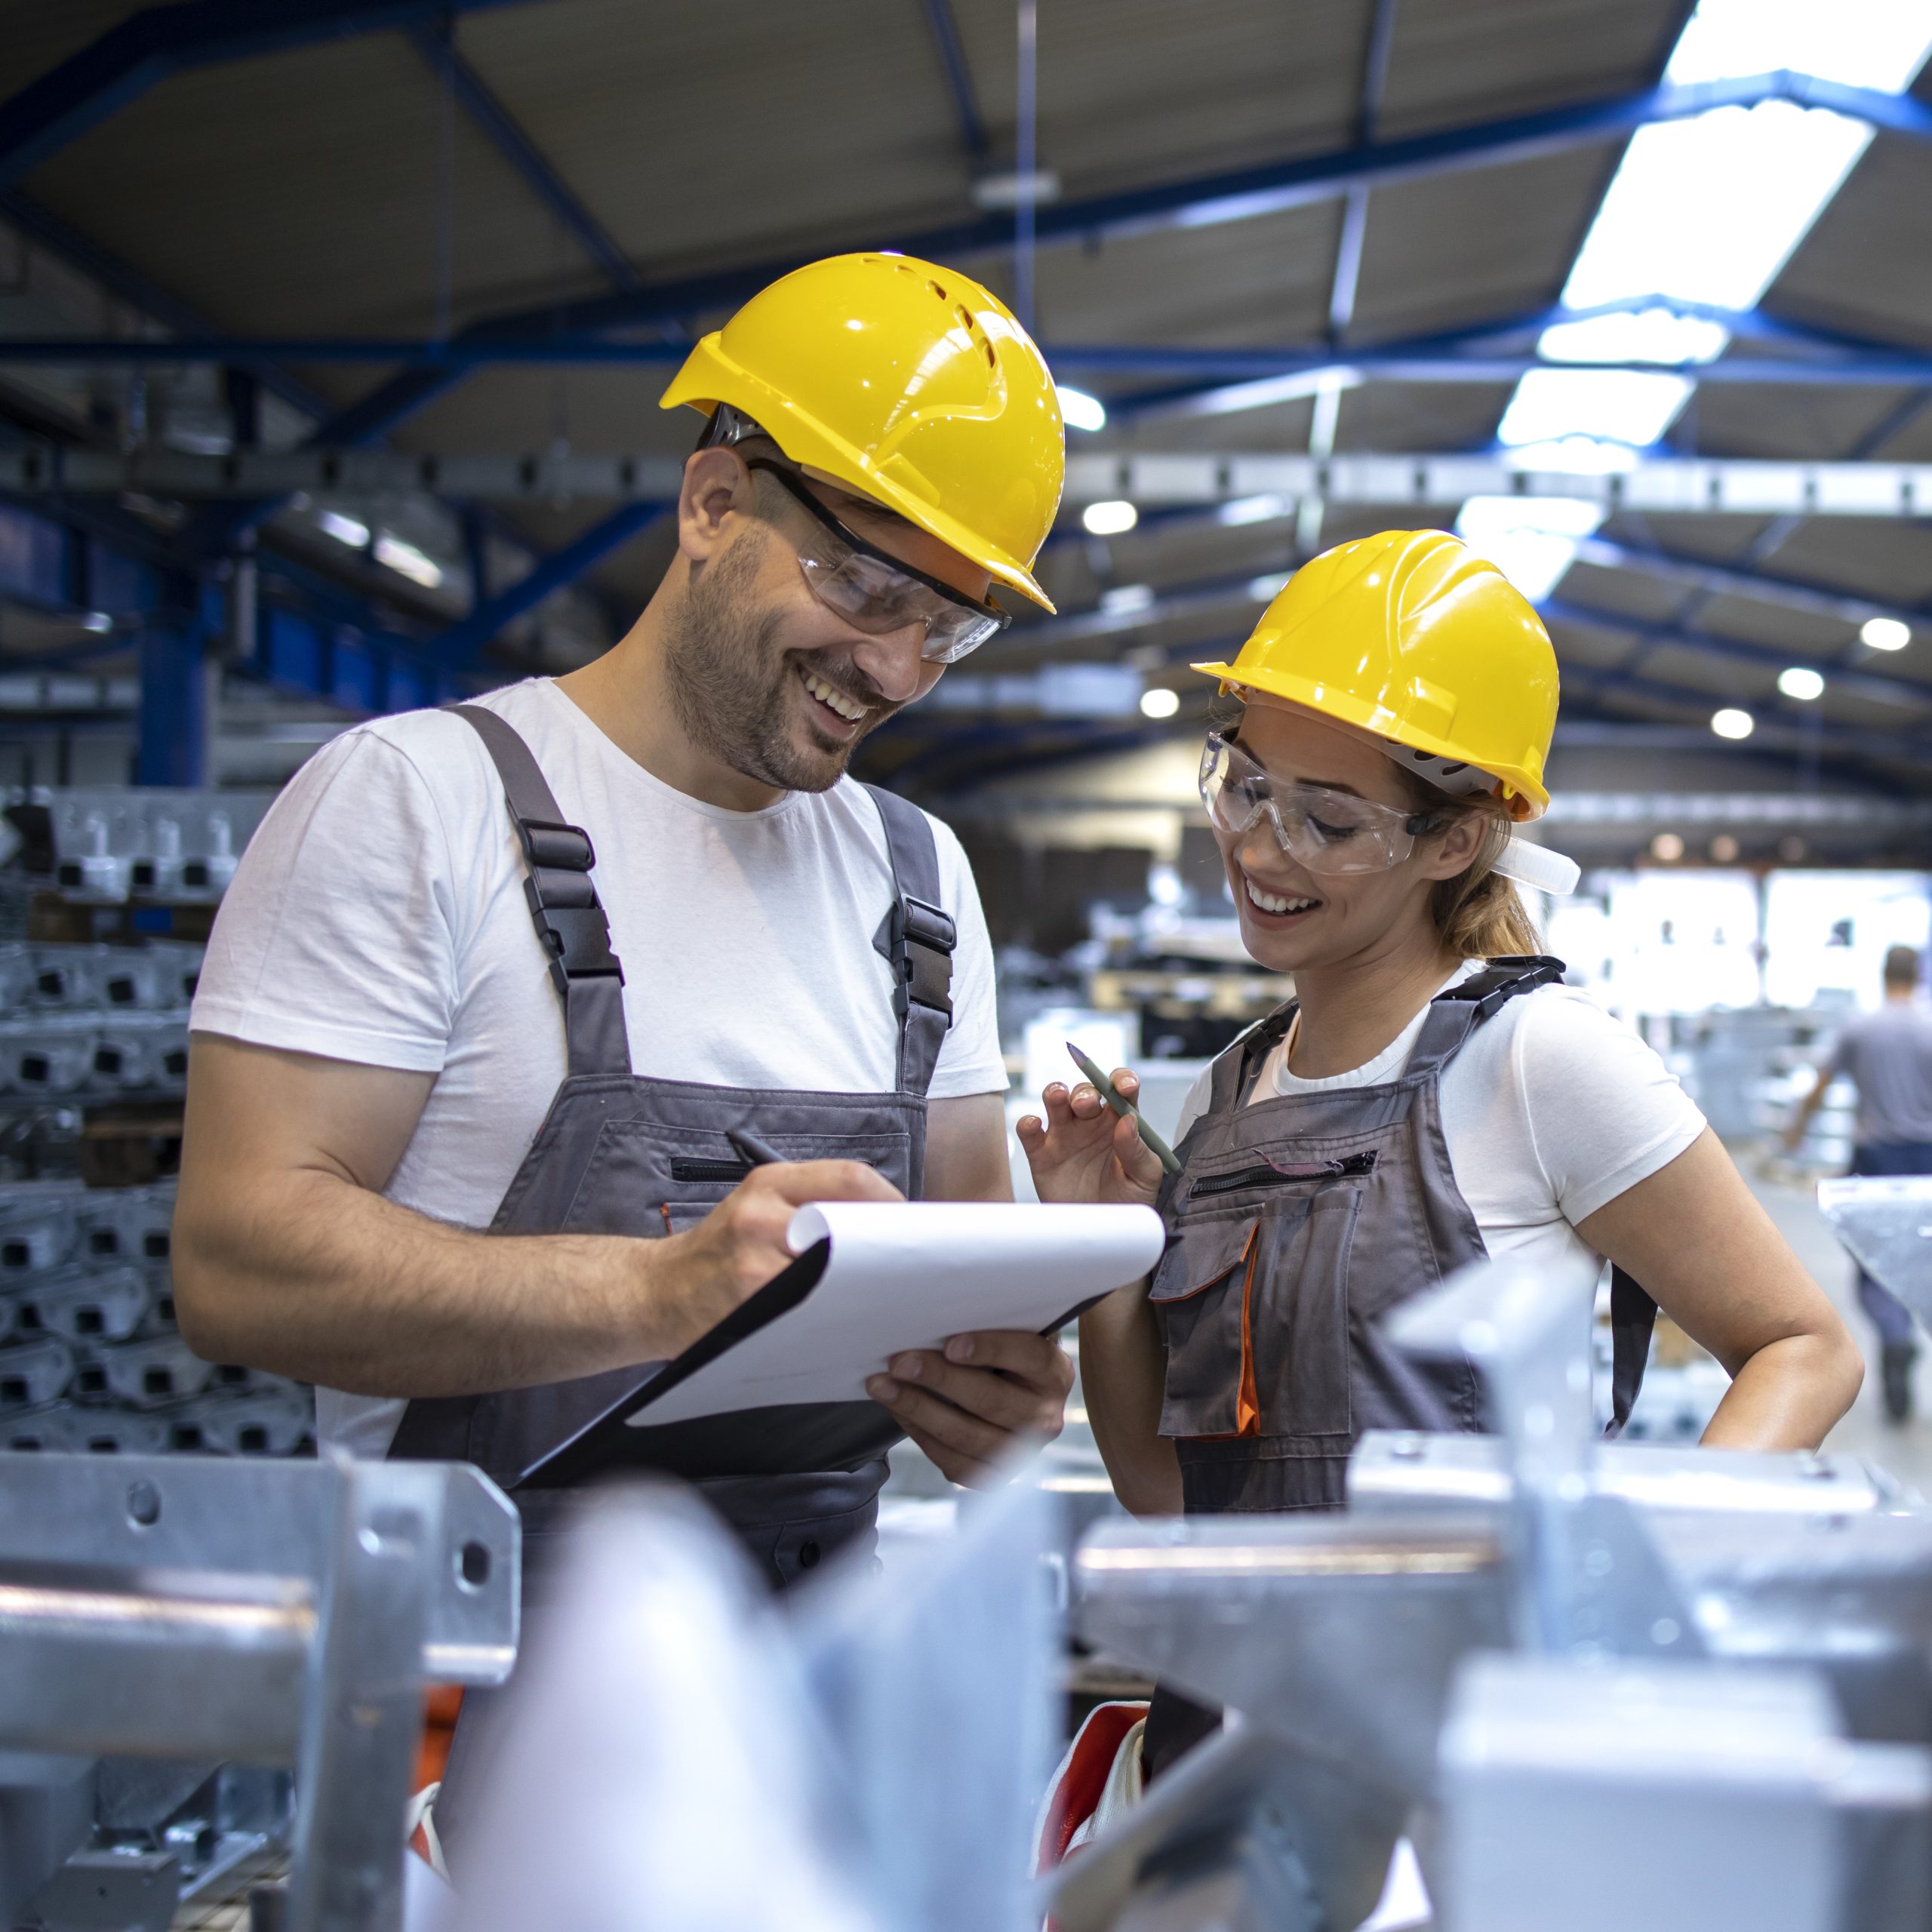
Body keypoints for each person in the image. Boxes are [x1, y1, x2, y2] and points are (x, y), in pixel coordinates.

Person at [172, 253, 1075, 1856]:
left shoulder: (920, 883)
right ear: (713, 500)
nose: (891, 668)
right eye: (867, 588)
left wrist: (996, 1397)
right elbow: (240, 1259)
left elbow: (961, 1290)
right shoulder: (416, 803)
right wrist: (659, 1290)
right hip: (458, 1751)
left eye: (947, 629)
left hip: (798, 1745)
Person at [1020, 528, 1863, 1786]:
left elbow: (1808, 1348)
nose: (1261, 848)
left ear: (1454, 839)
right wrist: (1103, 1255)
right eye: (1245, 786)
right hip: (1228, 1765)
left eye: (1328, 819)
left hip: (1462, 1767)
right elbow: (1160, 1490)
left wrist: (1621, 1584)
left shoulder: (1539, 1059)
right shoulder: (1222, 1098)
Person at [1783, 943, 1932, 1420]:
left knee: (1873, 1263)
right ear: (1918, 974)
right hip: (1926, 1159)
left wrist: (1797, 1129)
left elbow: (1823, 1084)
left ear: (1884, 974)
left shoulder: (1861, 1027)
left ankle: (1894, 1334)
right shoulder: (1929, 1027)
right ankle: (1907, 1330)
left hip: (1874, 1158)